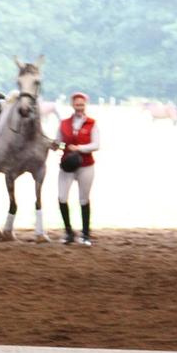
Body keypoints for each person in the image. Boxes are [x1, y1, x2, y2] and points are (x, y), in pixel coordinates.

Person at [58, 91, 100, 246]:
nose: (79, 107)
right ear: (72, 105)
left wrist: (79, 148)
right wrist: (59, 146)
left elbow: (96, 144)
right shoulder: (63, 123)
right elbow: (59, 142)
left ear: (85, 105)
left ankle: (86, 234)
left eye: (81, 104)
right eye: (77, 104)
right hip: (67, 165)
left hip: (85, 165)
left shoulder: (92, 123)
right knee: (62, 197)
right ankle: (68, 232)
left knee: (84, 199)